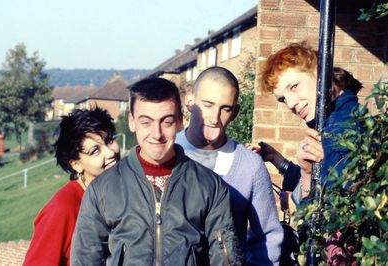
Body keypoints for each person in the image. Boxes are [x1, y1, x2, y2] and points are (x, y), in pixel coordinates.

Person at [71, 77, 242, 265]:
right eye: (146, 122)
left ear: (179, 121)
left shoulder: (211, 187)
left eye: (166, 122)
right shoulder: (101, 190)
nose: (157, 134)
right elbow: (85, 260)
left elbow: (226, 260)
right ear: (132, 122)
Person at [175, 66, 283, 265]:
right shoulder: (167, 153)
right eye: (208, 104)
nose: (215, 118)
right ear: (190, 102)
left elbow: (267, 237)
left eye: (225, 108)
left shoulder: (249, 165)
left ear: (235, 112)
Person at [260, 42, 363, 203]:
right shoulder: (337, 120)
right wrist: (277, 159)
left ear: (318, 72)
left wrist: (306, 178)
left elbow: (319, 220)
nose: (291, 104)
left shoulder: (341, 128)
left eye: (294, 87)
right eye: (283, 99)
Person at [23, 107, 120, 266]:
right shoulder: (63, 208)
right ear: (76, 164)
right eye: (95, 150)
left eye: (109, 140)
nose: (110, 153)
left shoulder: (125, 192)